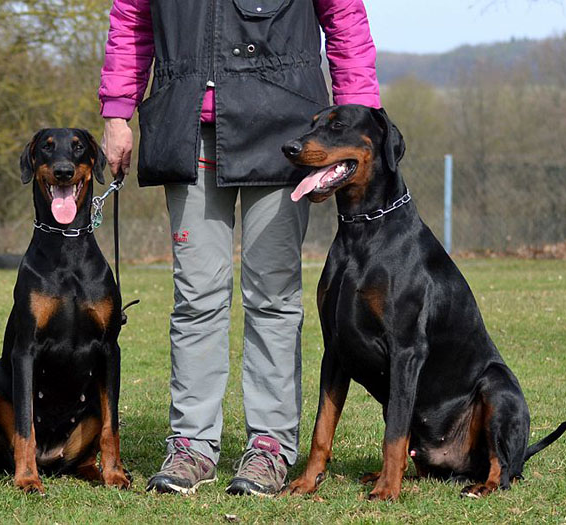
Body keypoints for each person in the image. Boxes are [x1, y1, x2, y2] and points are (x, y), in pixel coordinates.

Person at [99, 0, 380, 496]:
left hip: (285, 125)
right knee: (196, 296)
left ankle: (270, 447)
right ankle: (191, 445)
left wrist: (360, 115)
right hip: (187, 122)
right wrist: (118, 111)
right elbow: (131, 20)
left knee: (273, 296)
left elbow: (345, 19)